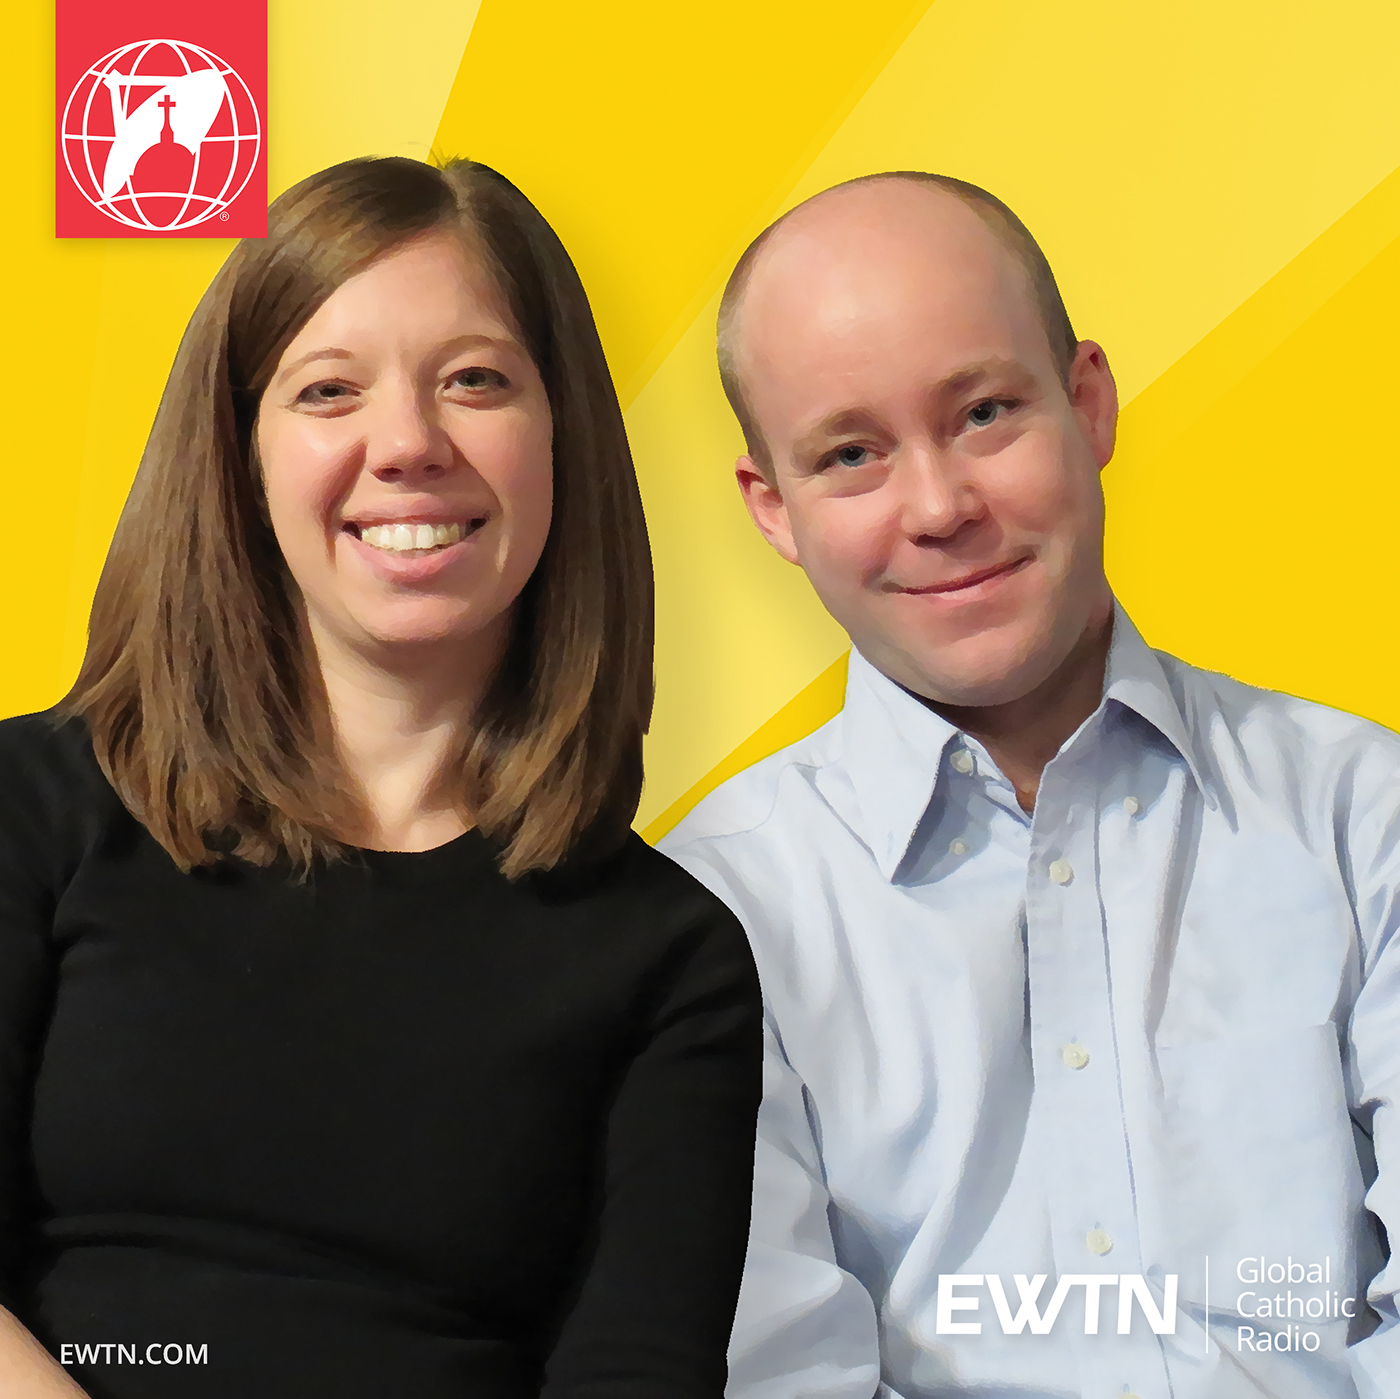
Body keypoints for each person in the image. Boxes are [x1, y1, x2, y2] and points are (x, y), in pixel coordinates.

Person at [0, 155, 762, 1399]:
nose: (407, 442)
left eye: (474, 380)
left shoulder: (671, 959)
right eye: (327, 390)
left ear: (561, 435)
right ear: (238, 456)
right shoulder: (31, 809)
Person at [658, 171, 1400, 1399]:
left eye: (983, 412)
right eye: (849, 454)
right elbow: (780, 1376)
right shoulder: (706, 915)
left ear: (1087, 403)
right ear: (772, 510)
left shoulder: (1362, 815)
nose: (938, 506)